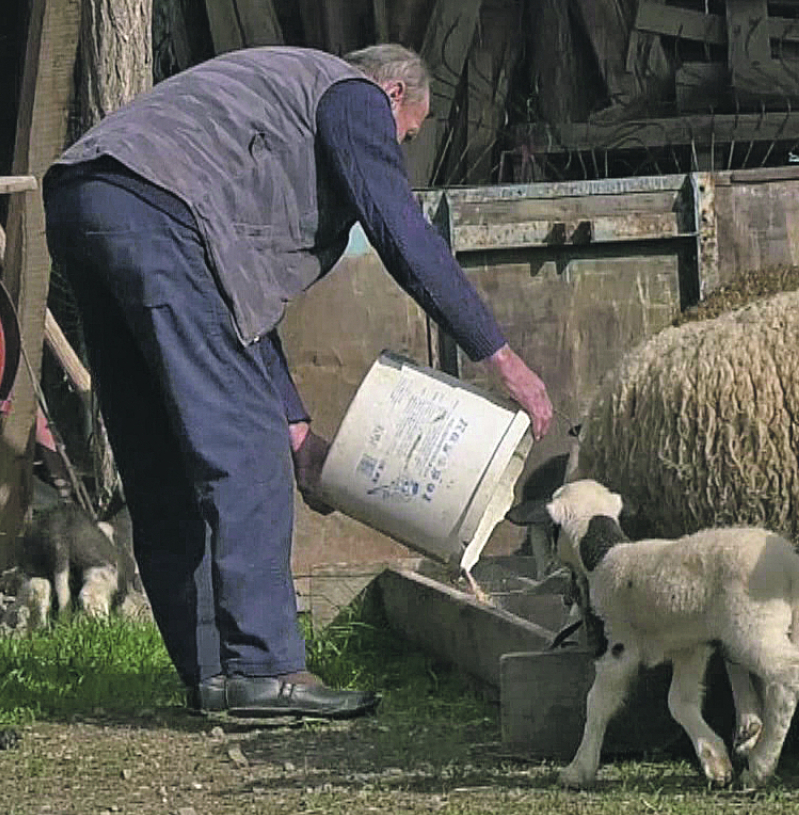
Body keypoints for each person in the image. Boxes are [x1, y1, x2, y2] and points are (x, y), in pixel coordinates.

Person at [42, 43, 554, 720]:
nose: (393, 147)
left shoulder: (261, 118)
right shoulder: (350, 95)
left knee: (161, 456)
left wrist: (299, 430)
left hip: (86, 196)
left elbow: (237, 309)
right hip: (157, 213)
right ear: (396, 96)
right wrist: (501, 357)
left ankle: (212, 677)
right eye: (405, 135)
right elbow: (400, 228)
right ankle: (264, 669)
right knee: (246, 451)